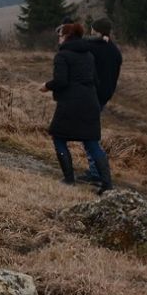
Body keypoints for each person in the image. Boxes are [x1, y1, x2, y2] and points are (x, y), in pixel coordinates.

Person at [43, 22, 114, 193]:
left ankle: (69, 179)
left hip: (70, 104)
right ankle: (107, 185)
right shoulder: (89, 55)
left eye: (60, 35)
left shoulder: (62, 56)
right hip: (90, 102)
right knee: (92, 142)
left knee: (59, 138)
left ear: (67, 36)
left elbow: (61, 81)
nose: (58, 39)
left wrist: (46, 86)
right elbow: (96, 81)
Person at [81, 18, 123, 183]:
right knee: (89, 133)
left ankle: (97, 173)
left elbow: (79, 44)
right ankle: (96, 171)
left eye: (92, 29)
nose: (90, 31)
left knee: (89, 135)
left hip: (92, 95)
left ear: (96, 30)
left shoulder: (95, 48)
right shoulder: (115, 51)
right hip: (104, 95)